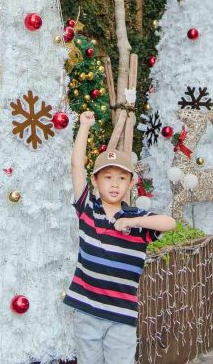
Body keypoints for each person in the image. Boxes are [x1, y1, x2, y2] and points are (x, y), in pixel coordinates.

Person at [64, 110, 176, 364]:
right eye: (107, 177)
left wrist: (132, 221)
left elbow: (170, 223)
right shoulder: (88, 209)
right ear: (95, 181)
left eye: (121, 178)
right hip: (87, 312)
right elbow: (76, 165)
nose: (114, 184)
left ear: (130, 184)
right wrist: (84, 127)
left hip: (122, 315)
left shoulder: (139, 218)